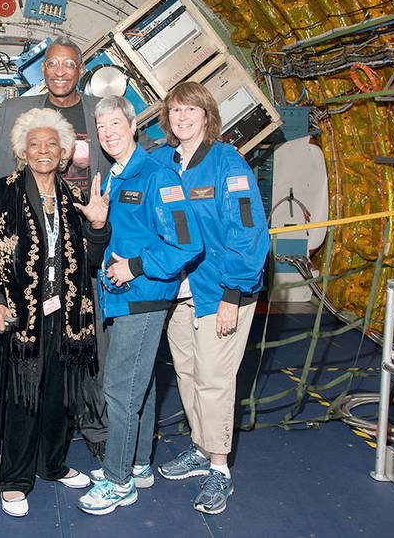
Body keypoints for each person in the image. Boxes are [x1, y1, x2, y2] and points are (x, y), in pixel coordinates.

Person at [0, 108, 111, 518]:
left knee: (56, 395)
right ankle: (15, 478)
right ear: (22, 151)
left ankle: (51, 464)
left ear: (64, 152)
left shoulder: (72, 198)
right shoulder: (1, 193)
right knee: (20, 395)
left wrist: (99, 227)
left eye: (52, 145)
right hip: (18, 315)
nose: (44, 151)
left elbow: (90, 260)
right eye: (35, 144)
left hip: (65, 316)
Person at [0, 35, 112, 458]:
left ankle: (94, 429)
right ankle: (27, 439)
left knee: (87, 344)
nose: (59, 72)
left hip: (83, 248)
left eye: (69, 65)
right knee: (29, 352)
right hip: (27, 258)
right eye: (52, 64)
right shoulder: (15, 110)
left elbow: (131, 148)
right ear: (43, 69)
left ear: (81, 70)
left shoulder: (100, 114)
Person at [75, 95, 204, 516]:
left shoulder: (157, 175)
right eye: (102, 126)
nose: (109, 132)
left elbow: (187, 241)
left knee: (119, 390)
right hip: (118, 298)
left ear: (133, 126)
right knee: (139, 386)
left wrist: (136, 266)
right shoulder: (113, 176)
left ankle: (118, 481)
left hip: (143, 297)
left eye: (116, 123)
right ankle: (138, 464)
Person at [149, 81, 269, 515]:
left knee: (215, 379)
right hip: (179, 293)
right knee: (187, 373)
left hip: (221, 291)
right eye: (175, 111)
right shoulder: (163, 160)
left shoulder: (227, 164)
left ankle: (220, 468)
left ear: (206, 115)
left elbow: (248, 232)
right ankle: (201, 448)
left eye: (190, 111)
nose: (182, 118)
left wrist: (233, 295)